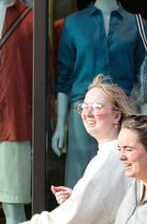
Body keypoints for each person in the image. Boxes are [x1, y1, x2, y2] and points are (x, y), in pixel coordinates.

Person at [23, 74, 134, 224]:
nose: (87, 113)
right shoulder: (116, 152)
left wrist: (80, 202)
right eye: (84, 106)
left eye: (96, 107)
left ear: (116, 116)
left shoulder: (111, 157)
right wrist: (78, 197)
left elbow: (64, 219)